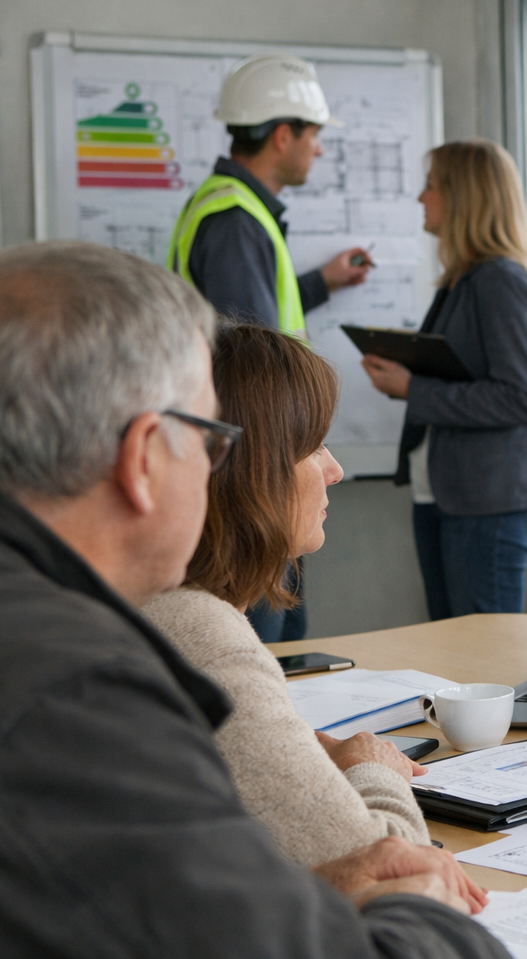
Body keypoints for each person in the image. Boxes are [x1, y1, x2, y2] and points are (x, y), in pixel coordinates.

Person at [0, 241, 517, 959]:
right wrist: (442, 922)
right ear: (146, 456)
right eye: (213, 442)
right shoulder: (68, 690)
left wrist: (291, 897)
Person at [142, 323, 432, 866]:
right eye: (314, 446)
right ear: (256, 470)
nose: (336, 471)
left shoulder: (153, 598)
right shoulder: (201, 635)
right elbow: (389, 867)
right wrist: (376, 769)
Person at [167, 51, 374, 642]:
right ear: (282, 134)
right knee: (261, 660)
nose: (318, 148)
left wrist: (323, 283)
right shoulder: (235, 219)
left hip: (257, 475)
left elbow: (246, 318)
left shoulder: (231, 210)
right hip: (258, 483)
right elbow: (256, 370)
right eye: (313, 135)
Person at [362, 139, 527, 620]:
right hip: (447, 494)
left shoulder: (500, 281)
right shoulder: (463, 280)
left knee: (482, 660)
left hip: (487, 504)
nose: (420, 198)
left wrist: (411, 388)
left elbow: (519, 399)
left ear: (462, 196)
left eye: (429, 186)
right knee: (449, 654)